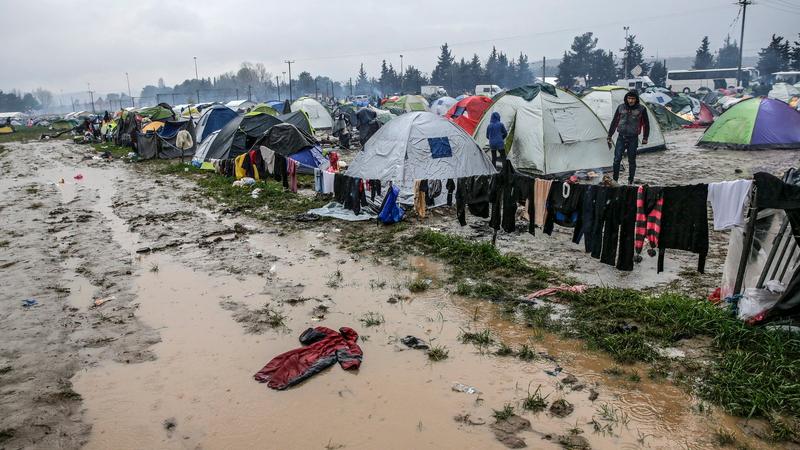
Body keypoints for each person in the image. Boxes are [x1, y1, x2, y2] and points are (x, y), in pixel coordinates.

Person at [607, 90, 649, 185]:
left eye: (633, 99)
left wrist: (645, 137)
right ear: (626, 98)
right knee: (617, 159)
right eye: (629, 98)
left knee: (631, 160)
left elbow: (646, 124)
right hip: (621, 137)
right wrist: (609, 135)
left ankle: (630, 181)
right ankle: (615, 180)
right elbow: (614, 122)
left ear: (636, 99)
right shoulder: (620, 107)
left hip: (633, 138)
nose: (630, 101)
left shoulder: (642, 109)